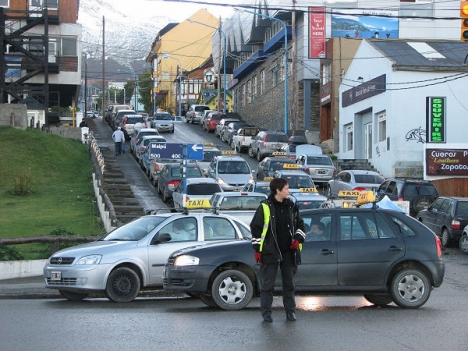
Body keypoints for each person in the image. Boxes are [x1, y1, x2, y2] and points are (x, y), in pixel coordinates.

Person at [250, 178, 306, 323]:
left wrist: (297, 239)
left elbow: (301, 226)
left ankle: (290, 312)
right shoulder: (265, 207)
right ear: (278, 190)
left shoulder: (292, 206)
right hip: (270, 252)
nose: (289, 191)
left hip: (289, 252)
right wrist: (258, 250)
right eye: (286, 189)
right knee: (267, 285)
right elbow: (256, 229)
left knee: (289, 285)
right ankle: (266, 314)